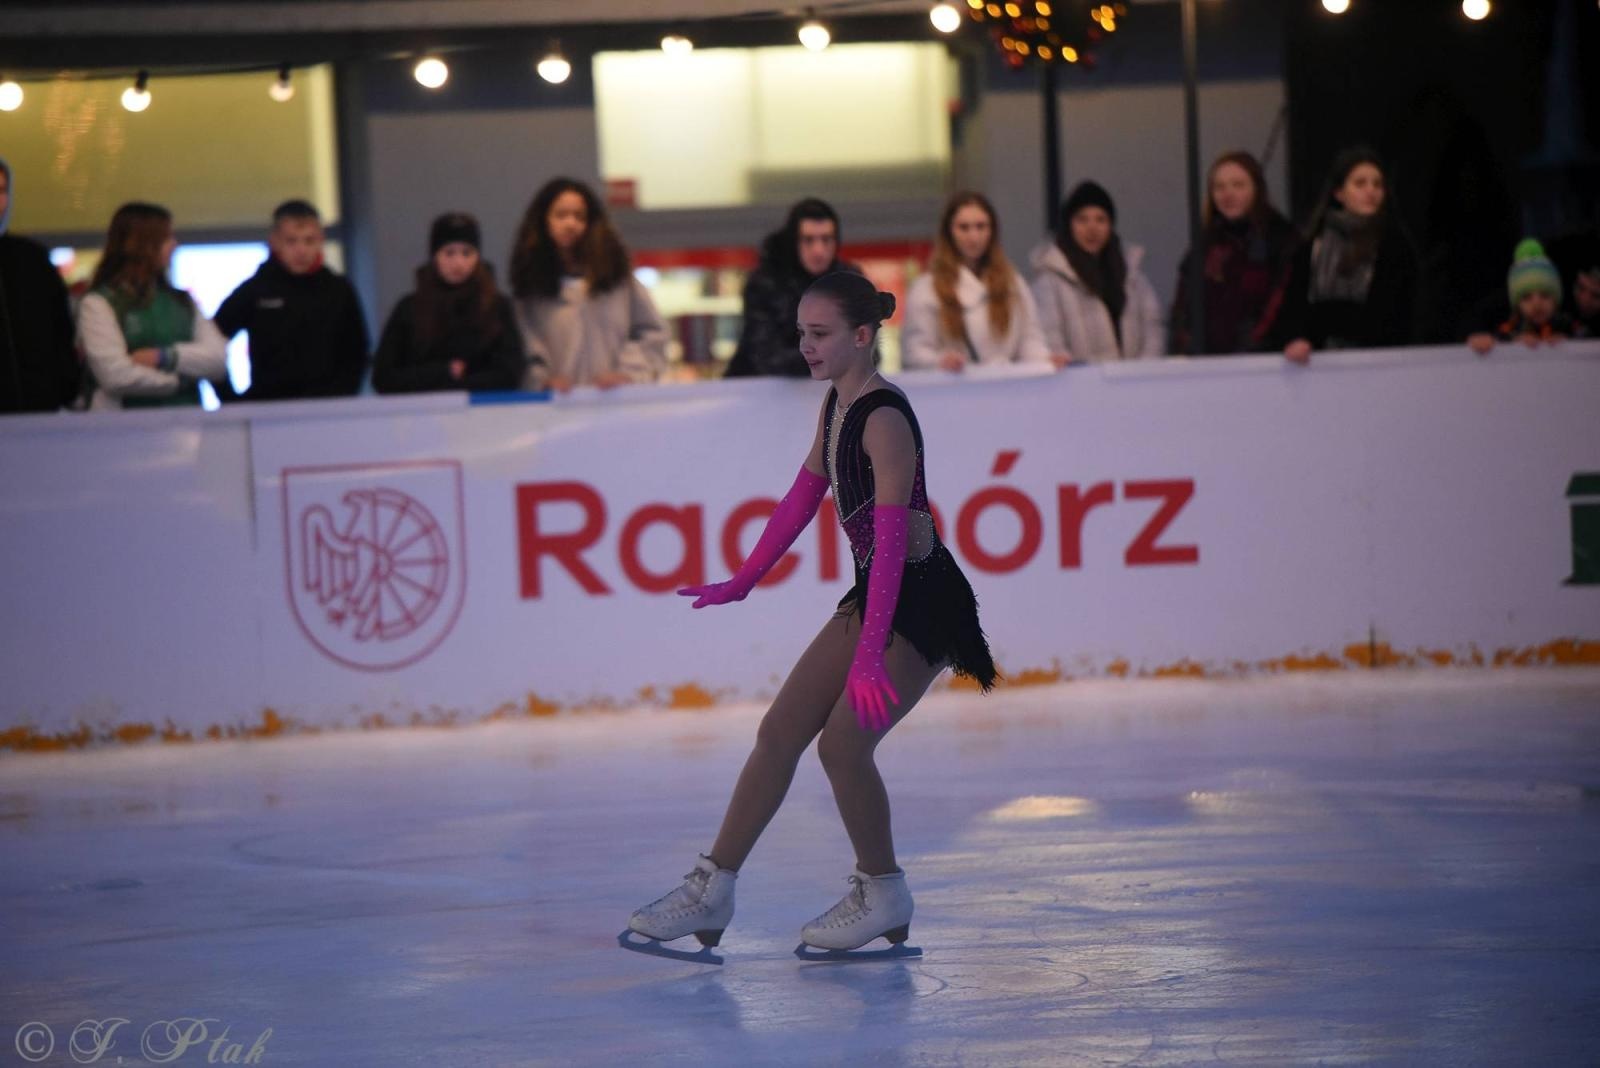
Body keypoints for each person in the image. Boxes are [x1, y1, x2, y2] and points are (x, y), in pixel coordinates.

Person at [626, 271, 998, 956]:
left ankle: (883, 890)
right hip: (879, 594)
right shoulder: (836, 406)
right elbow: (801, 498)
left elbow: (890, 544)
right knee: (780, 730)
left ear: (862, 336)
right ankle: (712, 889)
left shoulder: (885, 418)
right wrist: (743, 578)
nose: (805, 345)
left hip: (922, 604)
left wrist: (867, 653)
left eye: (819, 333)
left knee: (842, 745)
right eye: (801, 332)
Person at [508, 178, 665, 391]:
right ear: (543, 221)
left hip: (616, 404)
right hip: (557, 410)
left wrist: (628, 373)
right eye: (561, 215)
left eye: (579, 216)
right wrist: (541, 382)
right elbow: (526, 349)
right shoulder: (530, 291)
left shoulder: (619, 281)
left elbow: (652, 332)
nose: (570, 224)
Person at [75, 202, 227, 410]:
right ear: (141, 244)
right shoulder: (98, 303)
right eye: (166, 238)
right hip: (121, 432)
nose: (174, 245)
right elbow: (115, 375)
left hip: (187, 427)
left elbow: (218, 360)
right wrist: (179, 381)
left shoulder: (181, 301)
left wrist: (163, 357)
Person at [1275, 147, 1421, 363]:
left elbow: (1397, 316)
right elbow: (1293, 308)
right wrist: (1298, 337)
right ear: (1339, 192)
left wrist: (1326, 316)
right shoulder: (1313, 244)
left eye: (1377, 184)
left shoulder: (1396, 245)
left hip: (1380, 364)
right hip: (1317, 364)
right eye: (1360, 183)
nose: (1371, 191)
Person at [213, 200, 369, 401]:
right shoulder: (256, 290)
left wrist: (343, 395)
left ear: (321, 240)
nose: (301, 250)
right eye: (291, 241)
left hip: (328, 408)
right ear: (275, 241)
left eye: (309, 241)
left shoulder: (339, 290)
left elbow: (357, 351)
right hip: (270, 410)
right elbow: (213, 343)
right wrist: (233, 401)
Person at [372, 213, 524, 394]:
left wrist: (458, 386)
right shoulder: (409, 309)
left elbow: (510, 373)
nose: (458, 263)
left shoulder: (497, 307)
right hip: (422, 415)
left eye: (467, 253)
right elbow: (383, 377)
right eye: (449, 253)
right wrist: (441, 373)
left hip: (483, 414)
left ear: (477, 257)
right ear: (435, 256)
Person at [1167, 151, 1300, 356]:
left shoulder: (1281, 239)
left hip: (1265, 362)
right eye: (1219, 187)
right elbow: (1182, 306)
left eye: (1238, 185)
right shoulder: (1203, 245)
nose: (1227, 194)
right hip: (1204, 365)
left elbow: (1284, 301)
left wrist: (1253, 345)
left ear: (1257, 189)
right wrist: (1185, 345)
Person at [902, 190, 1050, 371]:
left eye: (981, 226)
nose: (974, 236)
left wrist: (1045, 362)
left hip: (1008, 390)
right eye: (964, 227)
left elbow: (1030, 339)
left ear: (992, 230)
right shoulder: (926, 288)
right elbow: (913, 352)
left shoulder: (1013, 283)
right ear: (949, 232)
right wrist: (940, 362)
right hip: (955, 392)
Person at [1029, 181, 1164, 364]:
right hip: (1081, 386)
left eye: (1100, 219)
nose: (1092, 228)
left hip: (1133, 383)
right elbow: (1051, 337)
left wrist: (1143, 370)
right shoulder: (1050, 279)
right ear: (1069, 225)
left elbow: (1152, 327)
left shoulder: (1131, 272)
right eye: (1082, 219)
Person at [724, 197, 861, 378]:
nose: (818, 250)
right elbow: (765, 355)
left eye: (826, 239)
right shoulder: (766, 283)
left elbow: (870, 350)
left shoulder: (849, 282)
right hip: (762, 396)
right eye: (808, 240)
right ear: (794, 242)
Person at [0, 158, 80, 414]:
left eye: (2, 191)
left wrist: (63, 388)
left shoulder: (31, 259)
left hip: (36, 412)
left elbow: (60, 330)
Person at [1467, 239, 1577, 354]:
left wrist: (1570, 342)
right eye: (1527, 297)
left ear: (1556, 300)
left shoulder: (1569, 325)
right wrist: (1501, 344)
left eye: (1544, 295)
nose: (1537, 303)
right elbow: (1492, 342)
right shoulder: (1511, 328)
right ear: (1517, 304)